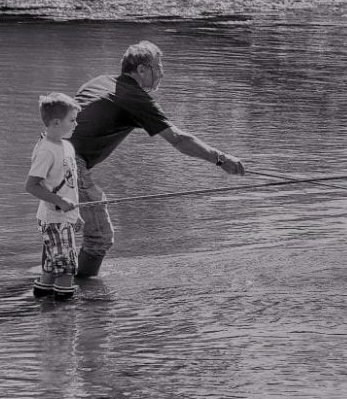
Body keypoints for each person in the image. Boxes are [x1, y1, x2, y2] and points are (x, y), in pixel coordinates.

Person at [69, 40, 245, 278]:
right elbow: (178, 139)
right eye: (157, 66)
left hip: (47, 152)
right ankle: (82, 295)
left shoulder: (99, 82)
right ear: (142, 70)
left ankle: (51, 287)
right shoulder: (134, 97)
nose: (162, 72)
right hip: (69, 164)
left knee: (58, 228)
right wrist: (221, 159)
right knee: (99, 239)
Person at [25, 93, 84, 300]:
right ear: (56, 122)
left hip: (64, 219)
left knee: (51, 268)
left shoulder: (66, 145)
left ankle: (42, 305)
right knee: (67, 269)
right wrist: (59, 202)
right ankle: (64, 319)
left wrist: (76, 213)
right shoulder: (46, 150)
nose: (76, 124)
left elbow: (69, 185)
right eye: (72, 120)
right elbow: (31, 186)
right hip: (54, 220)